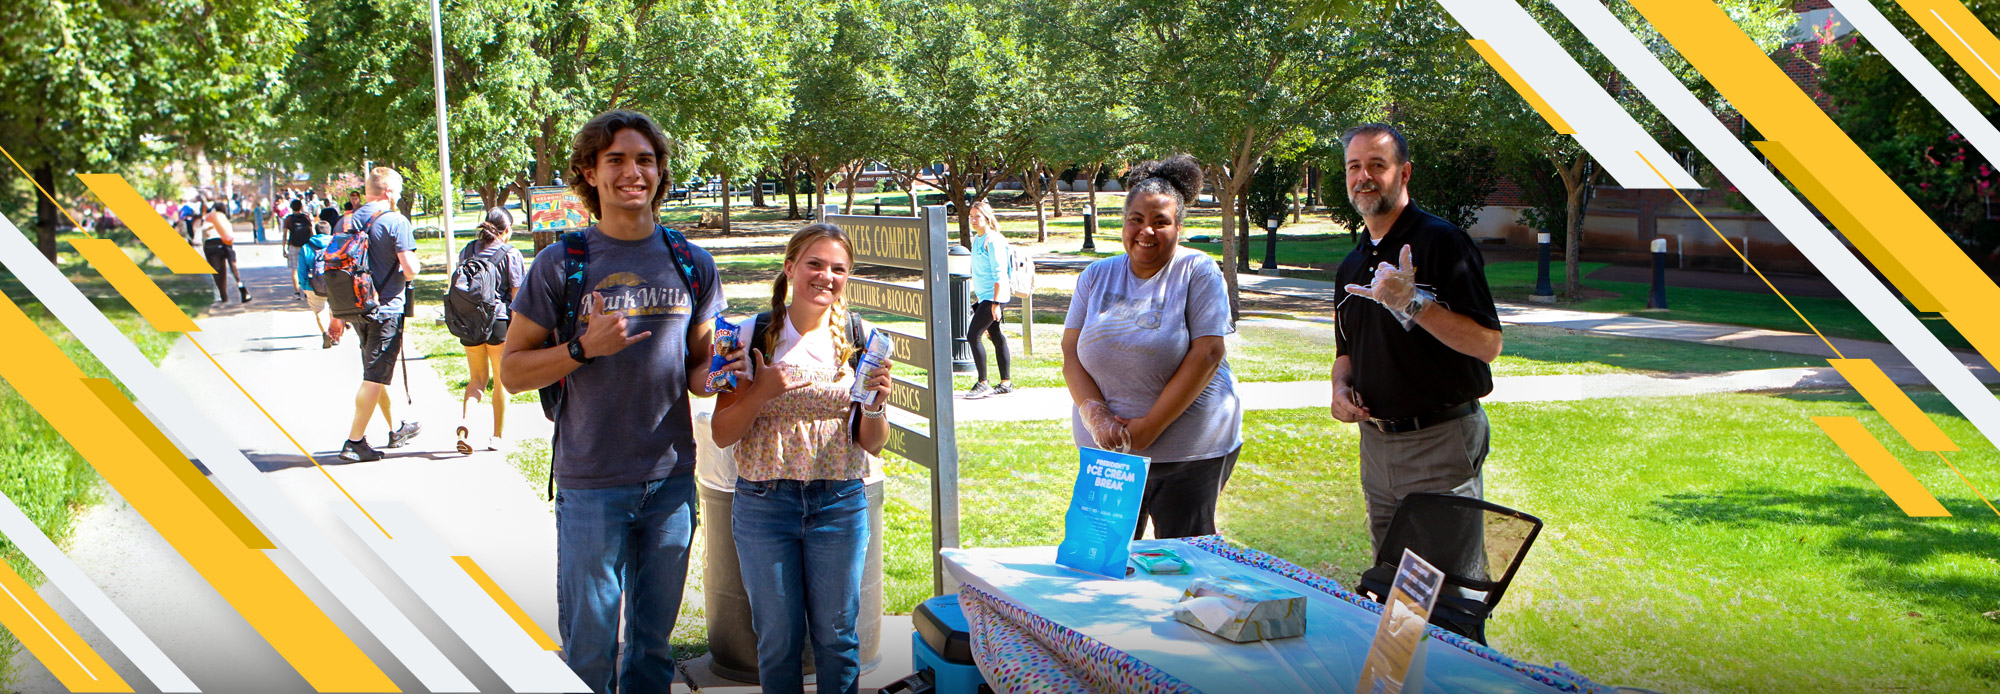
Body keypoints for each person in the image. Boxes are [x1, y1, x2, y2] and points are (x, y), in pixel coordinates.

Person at [498, 109, 730, 694]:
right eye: (617, 160)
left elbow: (700, 368)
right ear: (589, 172)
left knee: (652, 651)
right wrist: (581, 348)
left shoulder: (691, 263)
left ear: (660, 172)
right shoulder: (562, 264)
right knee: (590, 650)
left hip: (671, 481)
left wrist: (725, 375)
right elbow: (512, 372)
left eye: (645, 160)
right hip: (591, 482)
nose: (634, 172)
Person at [710, 223, 891, 694]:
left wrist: (874, 403)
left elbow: (872, 443)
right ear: (790, 267)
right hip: (765, 506)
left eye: (838, 269)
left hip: (840, 503)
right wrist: (759, 393)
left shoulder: (863, 337)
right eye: (815, 263)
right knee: (777, 641)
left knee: (838, 638)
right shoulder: (741, 334)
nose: (825, 276)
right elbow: (722, 432)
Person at [1327, 123, 1504, 551]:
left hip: (1439, 442)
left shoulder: (1442, 242)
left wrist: (1414, 303)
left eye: (1376, 165)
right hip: (1375, 445)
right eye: (1354, 166)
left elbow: (1488, 345)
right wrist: (1339, 388)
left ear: (1404, 173)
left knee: (1445, 587)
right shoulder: (1353, 263)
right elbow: (1347, 352)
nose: (1363, 176)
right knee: (1393, 585)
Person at [1062, 155, 1243, 540]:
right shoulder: (1096, 275)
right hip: (1106, 456)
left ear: (1179, 226)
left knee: (1179, 564)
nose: (1147, 231)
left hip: (1186, 454)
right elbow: (1070, 353)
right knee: (1099, 554)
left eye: (1161, 221)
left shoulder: (1197, 271)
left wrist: (1147, 430)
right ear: (1124, 223)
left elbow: (1208, 353)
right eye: (1137, 220)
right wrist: (1097, 418)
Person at [336, 167, 423, 463]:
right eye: (397, 192)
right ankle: (354, 441)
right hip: (386, 309)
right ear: (387, 192)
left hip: (355, 307)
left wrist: (336, 314)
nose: (398, 197)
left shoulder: (347, 220)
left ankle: (397, 427)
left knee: (376, 371)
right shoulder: (396, 221)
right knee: (374, 376)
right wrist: (415, 268)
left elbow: (336, 265)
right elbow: (410, 268)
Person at [455, 208, 526, 454]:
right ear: (506, 231)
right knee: (500, 380)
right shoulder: (510, 253)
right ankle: (496, 436)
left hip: (469, 321)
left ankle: (466, 424)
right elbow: (518, 297)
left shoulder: (468, 250)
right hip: (498, 321)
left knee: (476, 380)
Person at [963, 201, 1015, 399]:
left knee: (973, 335)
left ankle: (983, 382)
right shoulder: (978, 239)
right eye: (971, 216)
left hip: (995, 297)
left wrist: (995, 303)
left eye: (977, 216)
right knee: (995, 336)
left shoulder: (993, 240)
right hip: (985, 297)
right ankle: (1006, 382)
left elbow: (999, 273)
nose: (974, 220)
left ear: (987, 218)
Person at [296, 220, 344, 349]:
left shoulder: (306, 247)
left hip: (314, 285)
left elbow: (302, 271)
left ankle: (326, 333)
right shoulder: (337, 244)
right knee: (335, 310)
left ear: (316, 232)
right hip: (336, 284)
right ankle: (336, 336)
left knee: (320, 310)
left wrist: (304, 286)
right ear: (331, 231)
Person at [197, 203, 248, 303]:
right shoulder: (225, 219)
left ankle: (223, 296)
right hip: (225, 244)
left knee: (217, 271)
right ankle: (240, 286)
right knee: (231, 267)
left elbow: (203, 230)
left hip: (211, 244)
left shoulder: (210, 217)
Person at [282, 199, 315, 299]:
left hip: (293, 246)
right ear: (301, 207)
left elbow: (285, 234)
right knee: (307, 269)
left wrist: (284, 248)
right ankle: (306, 290)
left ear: (291, 208)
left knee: (294, 270)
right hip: (306, 246)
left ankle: (297, 292)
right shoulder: (306, 218)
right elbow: (311, 232)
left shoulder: (288, 219)